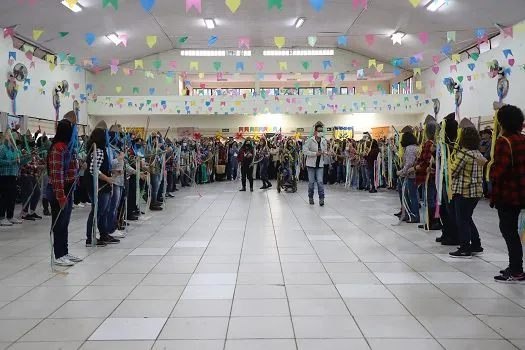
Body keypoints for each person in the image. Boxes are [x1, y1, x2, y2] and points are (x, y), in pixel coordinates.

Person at [490, 105, 525, 282]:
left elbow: (499, 170)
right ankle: (515, 266)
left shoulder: (504, 141)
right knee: (512, 231)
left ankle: (517, 269)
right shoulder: (522, 139)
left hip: (507, 194)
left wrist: (487, 166)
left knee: (508, 231)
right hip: (521, 192)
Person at [47, 113, 82, 266]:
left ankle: (65, 252)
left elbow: (71, 170)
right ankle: (58, 255)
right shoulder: (57, 148)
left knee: (65, 223)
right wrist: (61, 197)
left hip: (68, 189)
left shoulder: (68, 148)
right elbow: (56, 175)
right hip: (58, 191)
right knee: (59, 223)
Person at [449, 125, 486, 258]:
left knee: (462, 220)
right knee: (467, 218)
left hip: (464, 192)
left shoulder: (463, 154)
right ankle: (476, 245)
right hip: (476, 192)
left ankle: (465, 248)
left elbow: (452, 172)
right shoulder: (477, 153)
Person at [85, 127, 119, 246]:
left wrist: (112, 170)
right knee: (97, 212)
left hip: (104, 186)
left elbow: (100, 167)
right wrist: (108, 178)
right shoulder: (98, 151)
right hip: (99, 186)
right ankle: (90, 238)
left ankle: (103, 234)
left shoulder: (101, 150)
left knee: (103, 212)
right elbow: (94, 170)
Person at [415, 118, 441, 230]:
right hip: (435, 175)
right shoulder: (438, 143)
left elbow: (426, 160)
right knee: (433, 198)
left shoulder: (429, 144)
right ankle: (433, 221)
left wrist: (418, 167)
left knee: (429, 199)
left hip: (429, 176)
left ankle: (432, 221)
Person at [0, 129, 24, 226]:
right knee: (5, 197)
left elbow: (19, 162)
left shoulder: (15, 150)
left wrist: (27, 158)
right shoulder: (2, 148)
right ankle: (1, 217)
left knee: (12, 197)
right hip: (5, 176)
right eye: (16, 138)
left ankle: (10, 216)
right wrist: (11, 162)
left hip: (13, 175)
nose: (17, 140)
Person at [397, 132, 419, 223]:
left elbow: (409, 163)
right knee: (407, 196)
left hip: (411, 176)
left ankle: (414, 216)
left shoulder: (410, 149)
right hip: (411, 176)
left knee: (411, 197)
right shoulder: (414, 147)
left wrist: (401, 172)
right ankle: (408, 214)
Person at [304, 121, 328, 206]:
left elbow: (325, 150)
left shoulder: (324, 141)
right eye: (319, 131)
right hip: (310, 165)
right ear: (315, 132)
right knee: (311, 182)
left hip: (320, 165)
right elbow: (305, 151)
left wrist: (326, 152)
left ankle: (321, 198)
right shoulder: (310, 140)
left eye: (322, 131)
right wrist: (315, 153)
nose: (320, 132)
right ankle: (310, 197)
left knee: (320, 182)